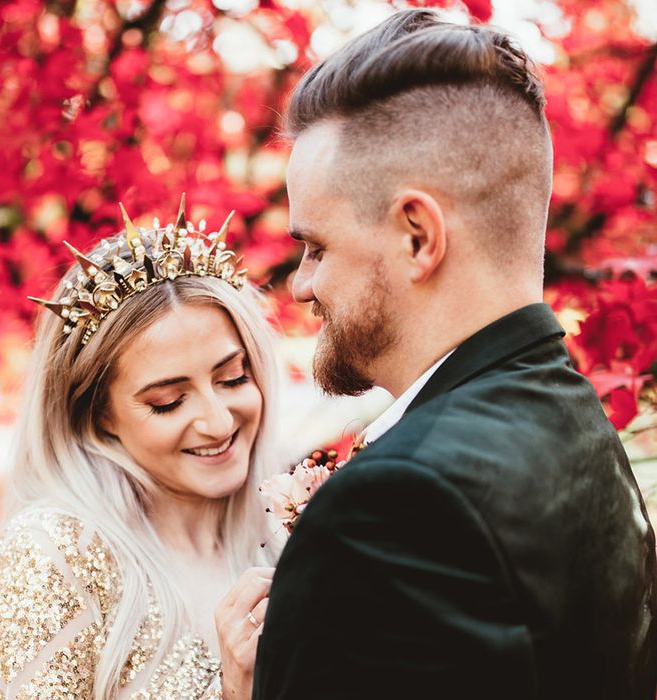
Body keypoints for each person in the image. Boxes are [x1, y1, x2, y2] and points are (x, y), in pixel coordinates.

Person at [253, 9, 657, 700]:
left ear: (417, 236)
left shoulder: (392, 507)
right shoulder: (576, 419)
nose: (301, 283)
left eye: (316, 246)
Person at [0, 199, 282, 699]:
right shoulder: (57, 556)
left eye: (232, 378)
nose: (218, 421)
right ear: (98, 413)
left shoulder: (283, 532)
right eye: (167, 402)